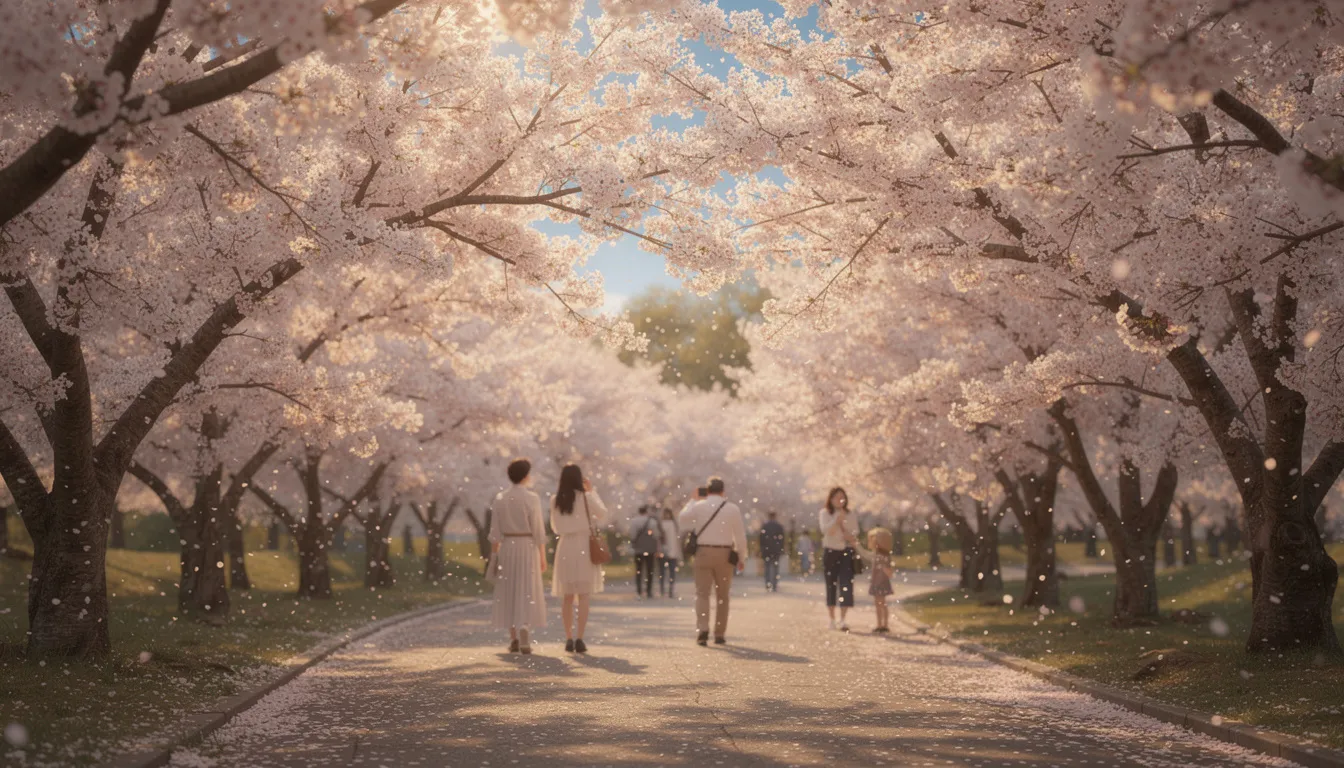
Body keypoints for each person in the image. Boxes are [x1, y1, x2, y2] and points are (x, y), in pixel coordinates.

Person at [679, 476, 747, 646]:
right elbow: (740, 536)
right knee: (723, 596)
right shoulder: (732, 508)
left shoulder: (699, 506)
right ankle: (719, 633)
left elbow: (682, 519)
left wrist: (693, 500)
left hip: (703, 552)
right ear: (723, 491)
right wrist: (741, 557)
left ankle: (703, 629)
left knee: (702, 594)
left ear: (707, 491)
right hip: (725, 553)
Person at [488, 458, 547, 654]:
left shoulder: (500, 498)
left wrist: (494, 556)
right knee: (527, 589)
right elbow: (538, 531)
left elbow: (495, 532)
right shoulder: (532, 498)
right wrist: (543, 556)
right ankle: (525, 629)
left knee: (509, 589)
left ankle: (513, 637)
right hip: (527, 546)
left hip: (507, 547)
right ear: (525, 476)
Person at [549, 464, 609, 654]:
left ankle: (568, 638)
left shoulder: (555, 500)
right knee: (583, 595)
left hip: (565, 546)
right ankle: (580, 638)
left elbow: (555, 528)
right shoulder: (586, 498)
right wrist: (591, 491)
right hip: (584, 545)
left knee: (567, 596)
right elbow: (602, 513)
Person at [820, 486, 859, 631]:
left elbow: (855, 532)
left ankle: (843, 619)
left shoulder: (850, 514)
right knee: (831, 585)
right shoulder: (825, 513)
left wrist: (848, 532)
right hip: (830, 551)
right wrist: (836, 520)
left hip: (846, 552)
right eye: (837, 497)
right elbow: (826, 531)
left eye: (842, 497)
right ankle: (832, 619)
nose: (840, 500)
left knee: (846, 585)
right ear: (831, 499)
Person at [864, 527, 895, 633]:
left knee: (882, 604)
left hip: (881, 583)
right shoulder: (876, 555)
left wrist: (884, 568)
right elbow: (865, 555)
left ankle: (884, 625)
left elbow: (889, 572)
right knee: (879, 604)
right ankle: (880, 624)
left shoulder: (883, 556)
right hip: (877, 582)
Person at [629, 504, 661, 598]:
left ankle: (639, 590)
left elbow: (632, 535)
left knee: (639, 570)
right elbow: (656, 535)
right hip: (650, 549)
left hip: (638, 549)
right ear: (646, 511)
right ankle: (649, 590)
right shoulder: (652, 522)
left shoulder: (634, 521)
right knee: (650, 570)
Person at [759, 512, 786, 592]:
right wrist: (781, 548)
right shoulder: (779, 526)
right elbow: (782, 539)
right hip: (776, 550)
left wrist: (762, 548)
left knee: (767, 567)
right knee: (775, 567)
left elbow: (761, 539)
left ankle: (768, 584)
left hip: (766, 550)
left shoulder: (765, 526)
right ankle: (774, 585)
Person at [658, 507, 682, 598]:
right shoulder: (674, 525)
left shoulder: (662, 524)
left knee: (664, 572)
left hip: (665, 551)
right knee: (669, 572)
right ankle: (667, 590)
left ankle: (666, 590)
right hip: (670, 552)